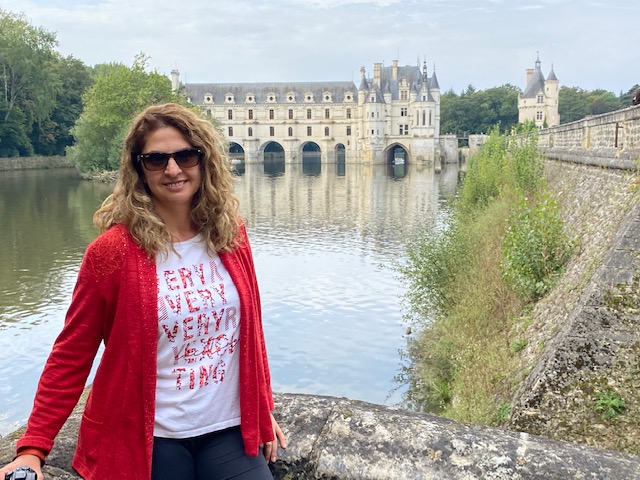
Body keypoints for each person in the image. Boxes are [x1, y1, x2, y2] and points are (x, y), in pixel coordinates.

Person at [0, 103, 286, 480]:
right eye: (156, 159)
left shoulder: (230, 234)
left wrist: (261, 406)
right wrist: (34, 447)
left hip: (227, 430)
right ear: (139, 170)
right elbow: (73, 352)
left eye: (185, 155)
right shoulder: (111, 252)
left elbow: (248, 331)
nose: (173, 169)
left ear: (204, 160)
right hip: (148, 437)